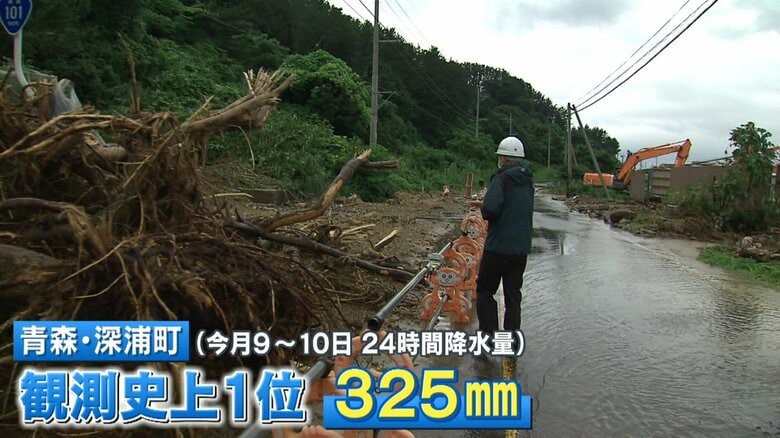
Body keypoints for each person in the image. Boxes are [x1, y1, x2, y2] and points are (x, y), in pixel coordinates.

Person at [470, 135, 534, 339]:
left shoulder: (501, 179)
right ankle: (512, 341)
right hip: (520, 250)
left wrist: (483, 206)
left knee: (485, 291)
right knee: (513, 296)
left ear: (504, 158)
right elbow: (513, 208)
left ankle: (488, 339)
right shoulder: (528, 182)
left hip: (497, 247)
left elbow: (490, 211)